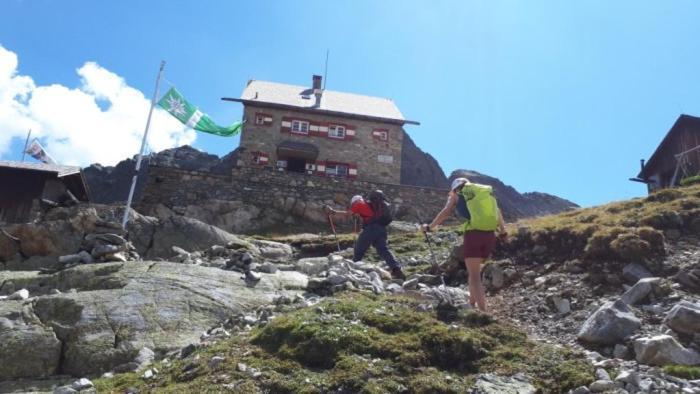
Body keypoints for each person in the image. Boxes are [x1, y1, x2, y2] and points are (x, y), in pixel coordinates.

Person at [422, 178, 506, 312]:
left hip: (473, 235)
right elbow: (497, 211)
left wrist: (430, 227)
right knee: (474, 271)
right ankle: (471, 304)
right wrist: (503, 231)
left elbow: (445, 212)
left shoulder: (457, 194)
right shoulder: (482, 193)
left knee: (474, 276)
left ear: (455, 187)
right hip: (490, 235)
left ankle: (483, 312)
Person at [327, 193, 406, 280]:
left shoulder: (359, 204)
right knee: (383, 250)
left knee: (359, 249)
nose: (353, 206)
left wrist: (333, 212)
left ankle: (354, 269)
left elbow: (348, 214)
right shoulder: (371, 206)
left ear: (354, 202)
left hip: (371, 229)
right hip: (382, 229)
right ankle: (396, 269)